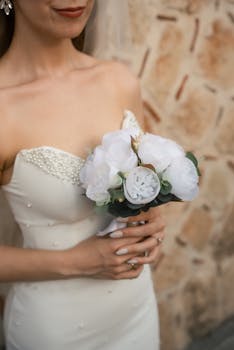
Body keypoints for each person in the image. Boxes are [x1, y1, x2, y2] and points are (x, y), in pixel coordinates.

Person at [0, 1, 165, 349]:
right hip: (54, 330)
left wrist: (151, 224)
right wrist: (73, 262)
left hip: (136, 312)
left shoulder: (119, 81)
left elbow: (144, 198)